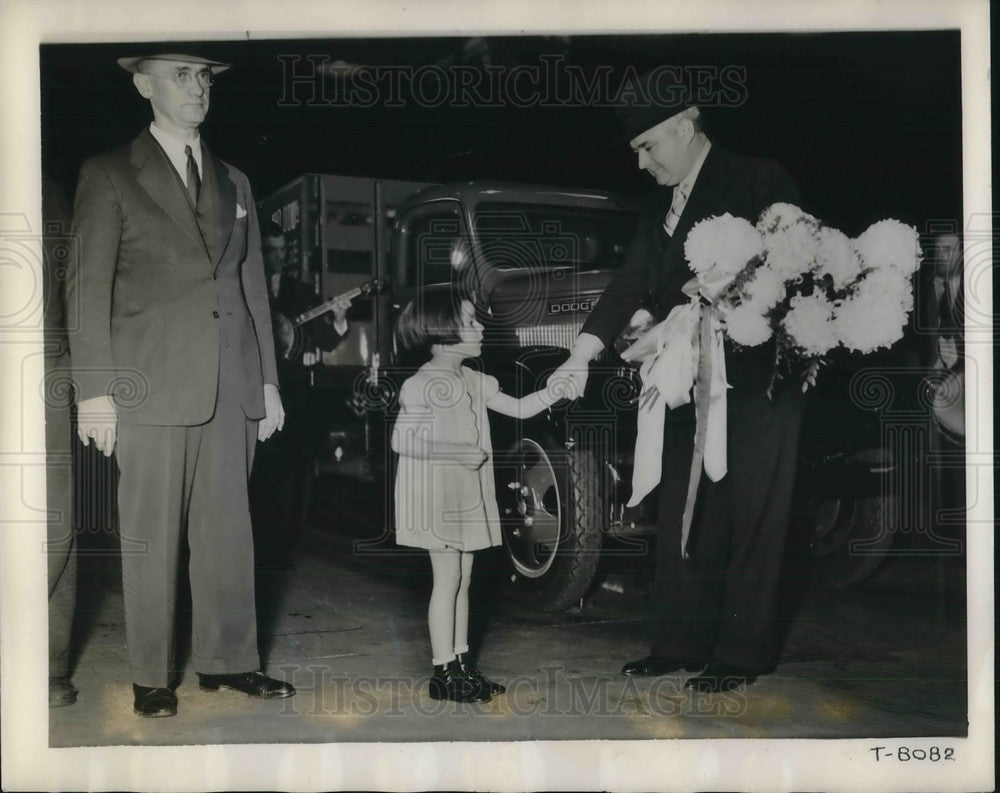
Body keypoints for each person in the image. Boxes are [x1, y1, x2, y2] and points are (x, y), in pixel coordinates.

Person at [554, 69, 802, 692]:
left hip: (758, 382)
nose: (640, 162)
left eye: (647, 146)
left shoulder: (757, 177)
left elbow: (800, 267)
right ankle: (680, 641)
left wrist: (725, 294)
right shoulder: (657, 208)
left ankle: (743, 652)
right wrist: (580, 354)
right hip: (687, 377)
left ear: (686, 128)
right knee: (686, 509)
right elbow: (630, 283)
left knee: (752, 514)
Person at [66, 52, 294, 717]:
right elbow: (86, 290)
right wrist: (94, 390)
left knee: (230, 531)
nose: (198, 87)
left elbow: (255, 292)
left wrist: (269, 387)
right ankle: (151, 674)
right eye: (181, 75)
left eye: (205, 76)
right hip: (148, 386)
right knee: (152, 532)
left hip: (230, 386)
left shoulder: (236, 182)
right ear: (143, 86)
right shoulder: (109, 175)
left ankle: (229, 661)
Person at [392, 288, 574, 702]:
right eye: (470, 321)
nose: (480, 327)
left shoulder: (473, 379)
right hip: (438, 495)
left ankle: (461, 665)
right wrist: (455, 452)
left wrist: (554, 391)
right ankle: (442, 672)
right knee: (448, 578)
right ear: (440, 332)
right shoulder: (422, 384)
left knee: (466, 578)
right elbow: (403, 439)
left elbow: (522, 408)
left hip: (467, 494)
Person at [251, 228, 349, 567]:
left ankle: (287, 545)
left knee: (297, 475)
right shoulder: (243, 286)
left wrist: (338, 321)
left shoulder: (301, 292)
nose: (275, 257)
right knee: (262, 477)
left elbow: (327, 341)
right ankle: (260, 545)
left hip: (295, 400)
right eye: (267, 249)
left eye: (279, 250)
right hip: (256, 398)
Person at [42, 175, 78, 707]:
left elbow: (76, 282)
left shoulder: (49, 190)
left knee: (53, 515)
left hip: (42, 363)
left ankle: (47, 660)